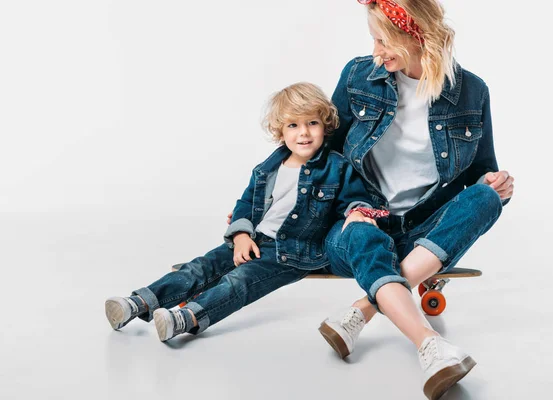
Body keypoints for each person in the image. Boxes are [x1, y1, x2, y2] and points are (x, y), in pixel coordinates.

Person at [315, 1, 515, 399]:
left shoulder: (471, 91)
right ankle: (428, 344)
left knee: (487, 198)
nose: (375, 51)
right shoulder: (359, 76)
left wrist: (496, 183)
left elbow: (481, 170)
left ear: (416, 36)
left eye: (383, 40)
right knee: (364, 236)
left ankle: (365, 308)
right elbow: (327, 156)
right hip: (358, 227)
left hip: (423, 236)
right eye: (373, 39)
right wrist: (349, 210)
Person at [104, 82, 375, 342]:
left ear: (325, 125)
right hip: (255, 239)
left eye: (312, 123)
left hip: (293, 251)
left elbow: (352, 201)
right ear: (281, 132)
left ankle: (186, 318)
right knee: (199, 267)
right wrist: (242, 235)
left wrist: (357, 212)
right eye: (293, 125)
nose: (303, 133)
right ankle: (139, 302)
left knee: (240, 282)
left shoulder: (337, 167)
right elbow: (245, 204)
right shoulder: (267, 169)